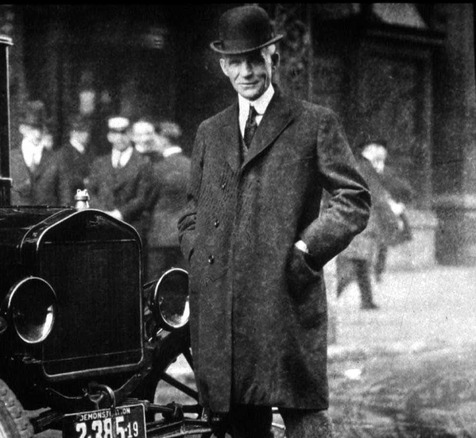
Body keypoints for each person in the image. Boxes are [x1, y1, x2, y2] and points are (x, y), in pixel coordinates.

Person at [176, 5, 371, 437]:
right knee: (242, 421)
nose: (247, 71)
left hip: (282, 297)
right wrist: (198, 253)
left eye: (255, 60)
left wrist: (306, 251)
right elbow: (192, 208)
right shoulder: (211, 131)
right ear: (224, 67)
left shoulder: (313, 122)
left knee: (303, 415)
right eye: (236, 63)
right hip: (223, 303)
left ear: (273, 59)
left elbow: (354, 198)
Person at [336, 141, 397, 309]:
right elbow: (376, 196)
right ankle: (329, 299)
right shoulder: (366, 168)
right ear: (371, 149)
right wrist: (391, 216)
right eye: (380, 150)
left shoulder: (360, 165)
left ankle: (367, 300)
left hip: (355, 218)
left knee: (361, 261)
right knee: (353, 262)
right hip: (362, 220)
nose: (383, 154)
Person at [86, 115, 155, 260]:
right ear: (109, 136)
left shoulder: (143, 163)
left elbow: (142, 198)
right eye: (115, 133)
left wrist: (118, 214)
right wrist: (103, 214)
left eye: (124, 133)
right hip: (102, 229)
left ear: (130, 135)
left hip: (130, 229)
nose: (120, 138)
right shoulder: (100, 163)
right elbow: (90, 192)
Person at [360, 140, 414, 283]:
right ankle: (366, 270)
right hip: (373, 207)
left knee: (382, 242)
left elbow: (398, 186)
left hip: (385, 207)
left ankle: (378, 270)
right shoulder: (366, 168)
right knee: (372, 241)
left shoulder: (387, 171)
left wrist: (396, 201)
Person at [146, 120, 190, 280]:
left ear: (164, 140)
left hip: (159, 238)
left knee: (155, 285)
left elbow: (147, 201)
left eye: (155, 138)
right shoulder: (191, 165)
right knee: (179, 284)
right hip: (184, 235)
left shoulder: (157, 168)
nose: (153, 142)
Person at [9, 101, 69, 205]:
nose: (37, 134)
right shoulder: (10, 158)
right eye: (32, 129)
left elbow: (65, 194)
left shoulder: (56, 159)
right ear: (22, 129)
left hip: (49, 219)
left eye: (41, 129)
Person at [57, 114, 94, 201]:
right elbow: (65, 179)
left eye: (87, 131)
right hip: (71, 199)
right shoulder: (64, 153)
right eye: (83, 131)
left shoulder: (89, 152)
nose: (87, 134)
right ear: (73, 133)